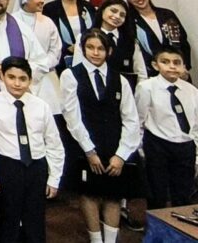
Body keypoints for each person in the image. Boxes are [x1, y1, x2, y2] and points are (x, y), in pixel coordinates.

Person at [60, 30, 142, 243]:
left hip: (114, 147)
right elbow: (72, 116)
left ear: (109, 51)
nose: (95, 53)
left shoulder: (120, 79)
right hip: (84, 146)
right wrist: (89, 151)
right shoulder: (71, 75)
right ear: (83, 49)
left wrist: (121, 155)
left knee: (113, 196)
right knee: (90, 195)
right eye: (90, 48)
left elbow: (131, 119)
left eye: (100, 48)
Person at [0, 56, 65, 243]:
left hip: (36, 167)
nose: (17, 83)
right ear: (2, 77)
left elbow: (54, 144)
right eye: (11, 77)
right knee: (8, 220)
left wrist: (54, 178)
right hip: (7, 166)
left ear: (30, 80)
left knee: (35, 221)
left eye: (22, 79)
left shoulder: (41, 106)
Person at [135, 44, 198, 208]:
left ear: (184, 66)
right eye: (165, 61)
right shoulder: (146, 87)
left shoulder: (191, 91)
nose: (172, 66)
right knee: (157, 194)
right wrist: (141, 150)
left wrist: (195, 151)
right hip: (158, 144)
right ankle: (157, 231)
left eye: (177, 62)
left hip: (185, 146)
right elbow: (139, 120)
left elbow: (195, 124)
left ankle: (179, 231)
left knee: (183, 195)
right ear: (155, 65)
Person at [11, 0, 64, 113]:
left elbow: (55, 50)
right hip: (18, 76)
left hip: (45, 74)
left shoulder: (47, 22)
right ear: (25, 0)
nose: (42, 1)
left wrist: (41, 66)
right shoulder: (12, 21)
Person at [125, 0, 192, 71]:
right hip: (152, 73)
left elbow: (183, 42)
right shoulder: (129, 21)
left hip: (178, 70)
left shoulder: (167, 15)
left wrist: (185, 67)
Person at [43, 0, 97, 72]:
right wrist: (68, 47)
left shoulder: (87, 6)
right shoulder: (50, 8)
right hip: (63, 58)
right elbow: (49, 34)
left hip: (88, 56)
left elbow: (96, 28)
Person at [95, 0, 148, 87]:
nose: (117, 16)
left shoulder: (130, 41)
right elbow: (78, 70)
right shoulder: (85, 36)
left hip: (125, 91)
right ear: (103, 10)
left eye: (122, 15)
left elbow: (141, 73)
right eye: (113, 11)